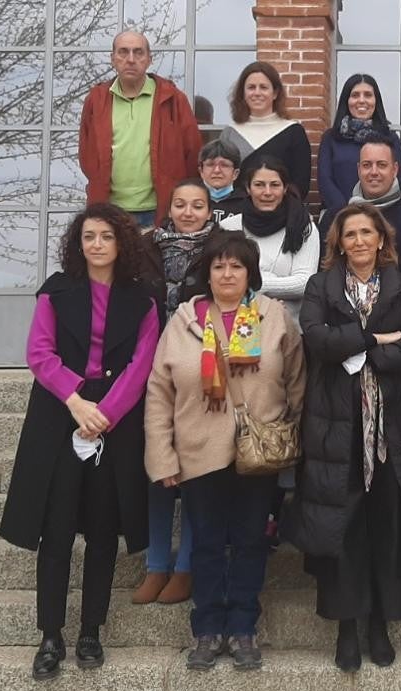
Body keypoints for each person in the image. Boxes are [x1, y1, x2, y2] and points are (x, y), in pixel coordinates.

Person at [287, 203, 401, 673]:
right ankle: (345, 626)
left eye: (367, 232)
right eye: (350, 234)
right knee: (344, 526)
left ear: (382, 239)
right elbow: (317, 339)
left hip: (396, 426)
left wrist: (357, 342)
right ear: (338, 242)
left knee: (388, 523)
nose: (359, 241)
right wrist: (376, 338)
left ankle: (380, 621)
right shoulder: (321, 286)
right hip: (338, 426)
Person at [0, 203, 159, 680]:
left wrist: (105, 412)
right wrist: (76, 402)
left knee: (104, 530)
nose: (96, 245)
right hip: (59, 413)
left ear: (120, 243)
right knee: (57, 529)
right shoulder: (56, 290)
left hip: (116, 418)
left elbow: (142, 364)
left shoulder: (145, 299)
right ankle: (50, 635)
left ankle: (91, 630)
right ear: (78, 242)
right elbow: (39, 352)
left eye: (106, 237)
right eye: (88, 236)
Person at [144, 231, 307, 672]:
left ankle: (242, 627)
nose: (227, 273)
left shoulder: (272, 317)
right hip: (198, 451)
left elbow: (296, 380)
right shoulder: (184, 321)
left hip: (258, 453)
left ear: (250, 272)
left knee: (252, 541)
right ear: (207, 273)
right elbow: (159, 391)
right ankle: (207, 628)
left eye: (236, 265)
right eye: (219, 266)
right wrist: (162, 456)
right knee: (207, 544)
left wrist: (287, 431)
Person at [131, 178, 223, 606]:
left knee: (195, 472)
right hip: (149, 365)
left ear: (209, 210)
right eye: (181, 205)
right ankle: (155, 566)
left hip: (198, 366)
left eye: (198, 205)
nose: (189, 213)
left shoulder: (223, 248)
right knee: (157, 468)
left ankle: (185, 566)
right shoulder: (146, 247)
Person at [79, 31, 202, 227]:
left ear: (149, 59)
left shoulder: (172, 99)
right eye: (123, 52)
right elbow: (87, 155)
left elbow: (192, 152)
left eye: (138, 53)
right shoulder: (96, 100)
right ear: (113, 59)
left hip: (159, 211)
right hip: (110, 210)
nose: (130, 59)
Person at [323, 136, 401, 291]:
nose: (374, 172)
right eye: (367, 165)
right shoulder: (334, 217)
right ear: (358, 169)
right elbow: (323, 274)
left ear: (395, 169)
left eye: (382, 165)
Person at [219, 156, 320, 323]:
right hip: (234, 325)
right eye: (259, 185)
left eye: (275, 185)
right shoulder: (228, 227)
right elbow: (220, 278)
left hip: (288, 328)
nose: (267, 192)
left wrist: (254, 282)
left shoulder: (303, 227)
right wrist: (273, 284)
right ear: (248, 188)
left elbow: (305, 282)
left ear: (285, 188)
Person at [219, 61, 312, 199]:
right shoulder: (230, 134)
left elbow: (300, 184)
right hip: (237, 213)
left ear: (275, 93)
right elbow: (222, 180)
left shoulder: (293, 132)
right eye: (251, 87)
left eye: (263, 87)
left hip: (282, 214)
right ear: (243, 93)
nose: (257, 93)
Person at [318, 74, 401, 218]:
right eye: (355, 95)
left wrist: (373, 215)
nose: (362, 100)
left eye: (368, 95)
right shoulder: (331, 138)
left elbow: (398, 178)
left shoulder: (390, 138)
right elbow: (325, 180)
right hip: (338, 217)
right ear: (347, 100)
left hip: (384, 217)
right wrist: (347, 213)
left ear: (376, 101)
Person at [198, 140, 247, 223]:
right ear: (201, 171)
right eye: (210, 164)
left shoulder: (247, 204)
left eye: (224, 165)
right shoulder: (190, 201)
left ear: (235, 173)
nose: (217, 170)